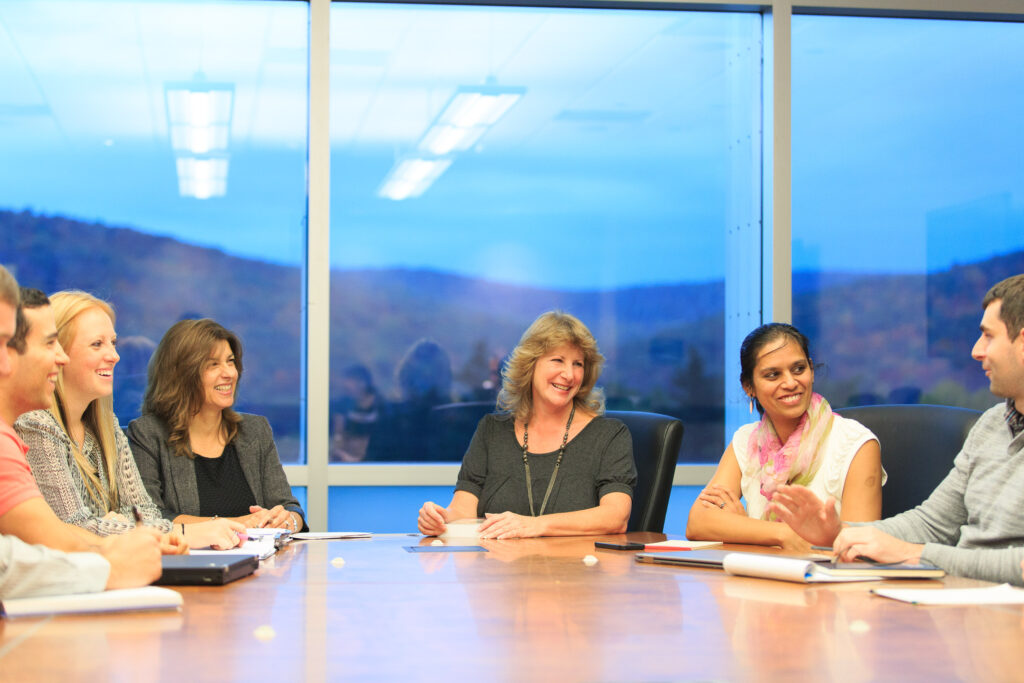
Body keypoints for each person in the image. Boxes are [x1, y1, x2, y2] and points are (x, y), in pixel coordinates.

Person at [771, 274, 1024, 586]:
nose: (976, 351)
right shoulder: (991, 425)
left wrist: (915, 555)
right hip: (964, 602)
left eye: (988, 336)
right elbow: (933, 524)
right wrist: (841, 532)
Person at [15, 291, 243, 549]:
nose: (114, 355)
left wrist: (109, 524)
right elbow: (73, 527)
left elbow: (145, 513)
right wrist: (179, 532)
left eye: (113, 342)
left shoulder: (106, 426)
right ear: (59, 352)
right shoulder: (36, 424)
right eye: (97, 344)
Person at [0, 271, 161, 597]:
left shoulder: (105, 425)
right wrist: (114, 561)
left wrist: (130, 541)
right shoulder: (31, 427)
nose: (60, 356)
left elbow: (56, 539)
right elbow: (57, 538)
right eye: (50, 344)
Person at [417, 311, 636, 539]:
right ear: (530, 365)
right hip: (499, 569)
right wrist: (440, 519)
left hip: (577, 569)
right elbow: (463, 511)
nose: (569, 375)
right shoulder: (491, 431)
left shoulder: (610, 435)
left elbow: (616, 516)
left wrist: (535, 525)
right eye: (558, 360)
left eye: (578, 364)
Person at [686, 323, 884, 550]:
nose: (790, 383)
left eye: (799, 369)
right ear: (749, 386)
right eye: (773, 375)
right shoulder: (745, 440)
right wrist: (782, 534)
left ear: (811, 370)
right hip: (761, 577)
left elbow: (859, 545)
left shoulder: (856, 443)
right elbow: (697, 522)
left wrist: (742, 528)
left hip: (828, 580)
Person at [127, 318, 306, 532]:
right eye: (213, 364)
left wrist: (288, 521)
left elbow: (287, 506)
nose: (229, 373)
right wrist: (238, 524)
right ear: (181, 374)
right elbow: (151, 518)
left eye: (230, 361)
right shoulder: (147, 434)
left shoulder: (255, 430)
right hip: (189, 564)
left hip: (263, 563)